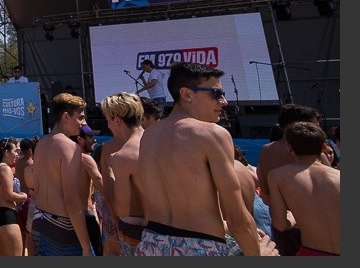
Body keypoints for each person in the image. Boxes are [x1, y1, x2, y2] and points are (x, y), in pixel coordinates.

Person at [136, 62, 262, 256]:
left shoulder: (149, 136)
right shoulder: (211, 134)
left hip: (151, 243)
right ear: (187, 94)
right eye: (216, 93)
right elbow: (238, 219)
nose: (224, 101)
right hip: (199, 247)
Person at [30, 92, 93, 256]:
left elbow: (36, 187)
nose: (83, 123)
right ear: (66, 116)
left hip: (39, 221)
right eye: (80, 117)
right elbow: (71, 199)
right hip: (61, 228)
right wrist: (86, 246)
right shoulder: (69, 147)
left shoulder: (41, 144)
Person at [256, 103, 322, 256]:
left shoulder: (267, 151)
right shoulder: (315, 154)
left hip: (283, 225)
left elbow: (265, 197)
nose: (317, 131)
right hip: (315, 227)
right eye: (314, 126)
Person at [268, 122, 340, 256]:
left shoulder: (277, 176)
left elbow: (280, 224)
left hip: (312, 251)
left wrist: (299, 219)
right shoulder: (339, 176)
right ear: (323, 147)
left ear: (289, 147)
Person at [101, 92, 146, 256]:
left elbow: (122, 209)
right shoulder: (160, 143)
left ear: (117, 120)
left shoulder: (123, 156)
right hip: (169, 228)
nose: (108, 126)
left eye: (108, 120)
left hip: (135, 230)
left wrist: (112, 172)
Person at [0, 138, 29, 255]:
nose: (17, 154)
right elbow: (9, 195)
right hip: (6, 216)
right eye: (15, 151)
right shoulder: (5, 168)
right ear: (6, 152)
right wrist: (24, 196)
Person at [78, 124, 104, 256]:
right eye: (90, 137)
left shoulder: (65, 159)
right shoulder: (86, 159)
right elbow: (103, 187)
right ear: (80, 140)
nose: (94, 140)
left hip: (70, 217)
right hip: (86, 216)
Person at [14, 137, 36, 256]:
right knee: (29, 234)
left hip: (19, 199)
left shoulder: (18, 162)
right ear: (31, 150)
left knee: (21, 233)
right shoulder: (31, 164)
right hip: (29, 199)